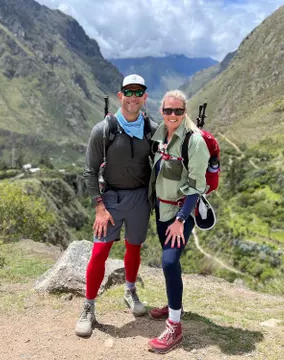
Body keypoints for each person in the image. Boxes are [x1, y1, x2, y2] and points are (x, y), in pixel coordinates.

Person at [75, 74, 158, 337]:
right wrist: (99, 206)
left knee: (134, 248)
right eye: (128, 92)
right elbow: (89, 170)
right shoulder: (104, 129)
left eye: (138, 92)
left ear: (145, 97)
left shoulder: (152, 129)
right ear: (120, 95)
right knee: (99, 253)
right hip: (110, 199)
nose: (133, 97)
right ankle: (88, 306)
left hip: (139, 199)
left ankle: (130, 291)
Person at [146, 90, 210, 354]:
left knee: (169, 261)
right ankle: (176, 305)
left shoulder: (194, 142)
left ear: (185, 112)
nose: (173, 115)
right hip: (162, 211)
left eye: (178, 111)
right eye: (168, 110)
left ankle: (175, 326)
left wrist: (181, 220)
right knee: (170, 264)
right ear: (161, 111)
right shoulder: (161, 134)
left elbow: (196, 187)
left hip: (180, 213)